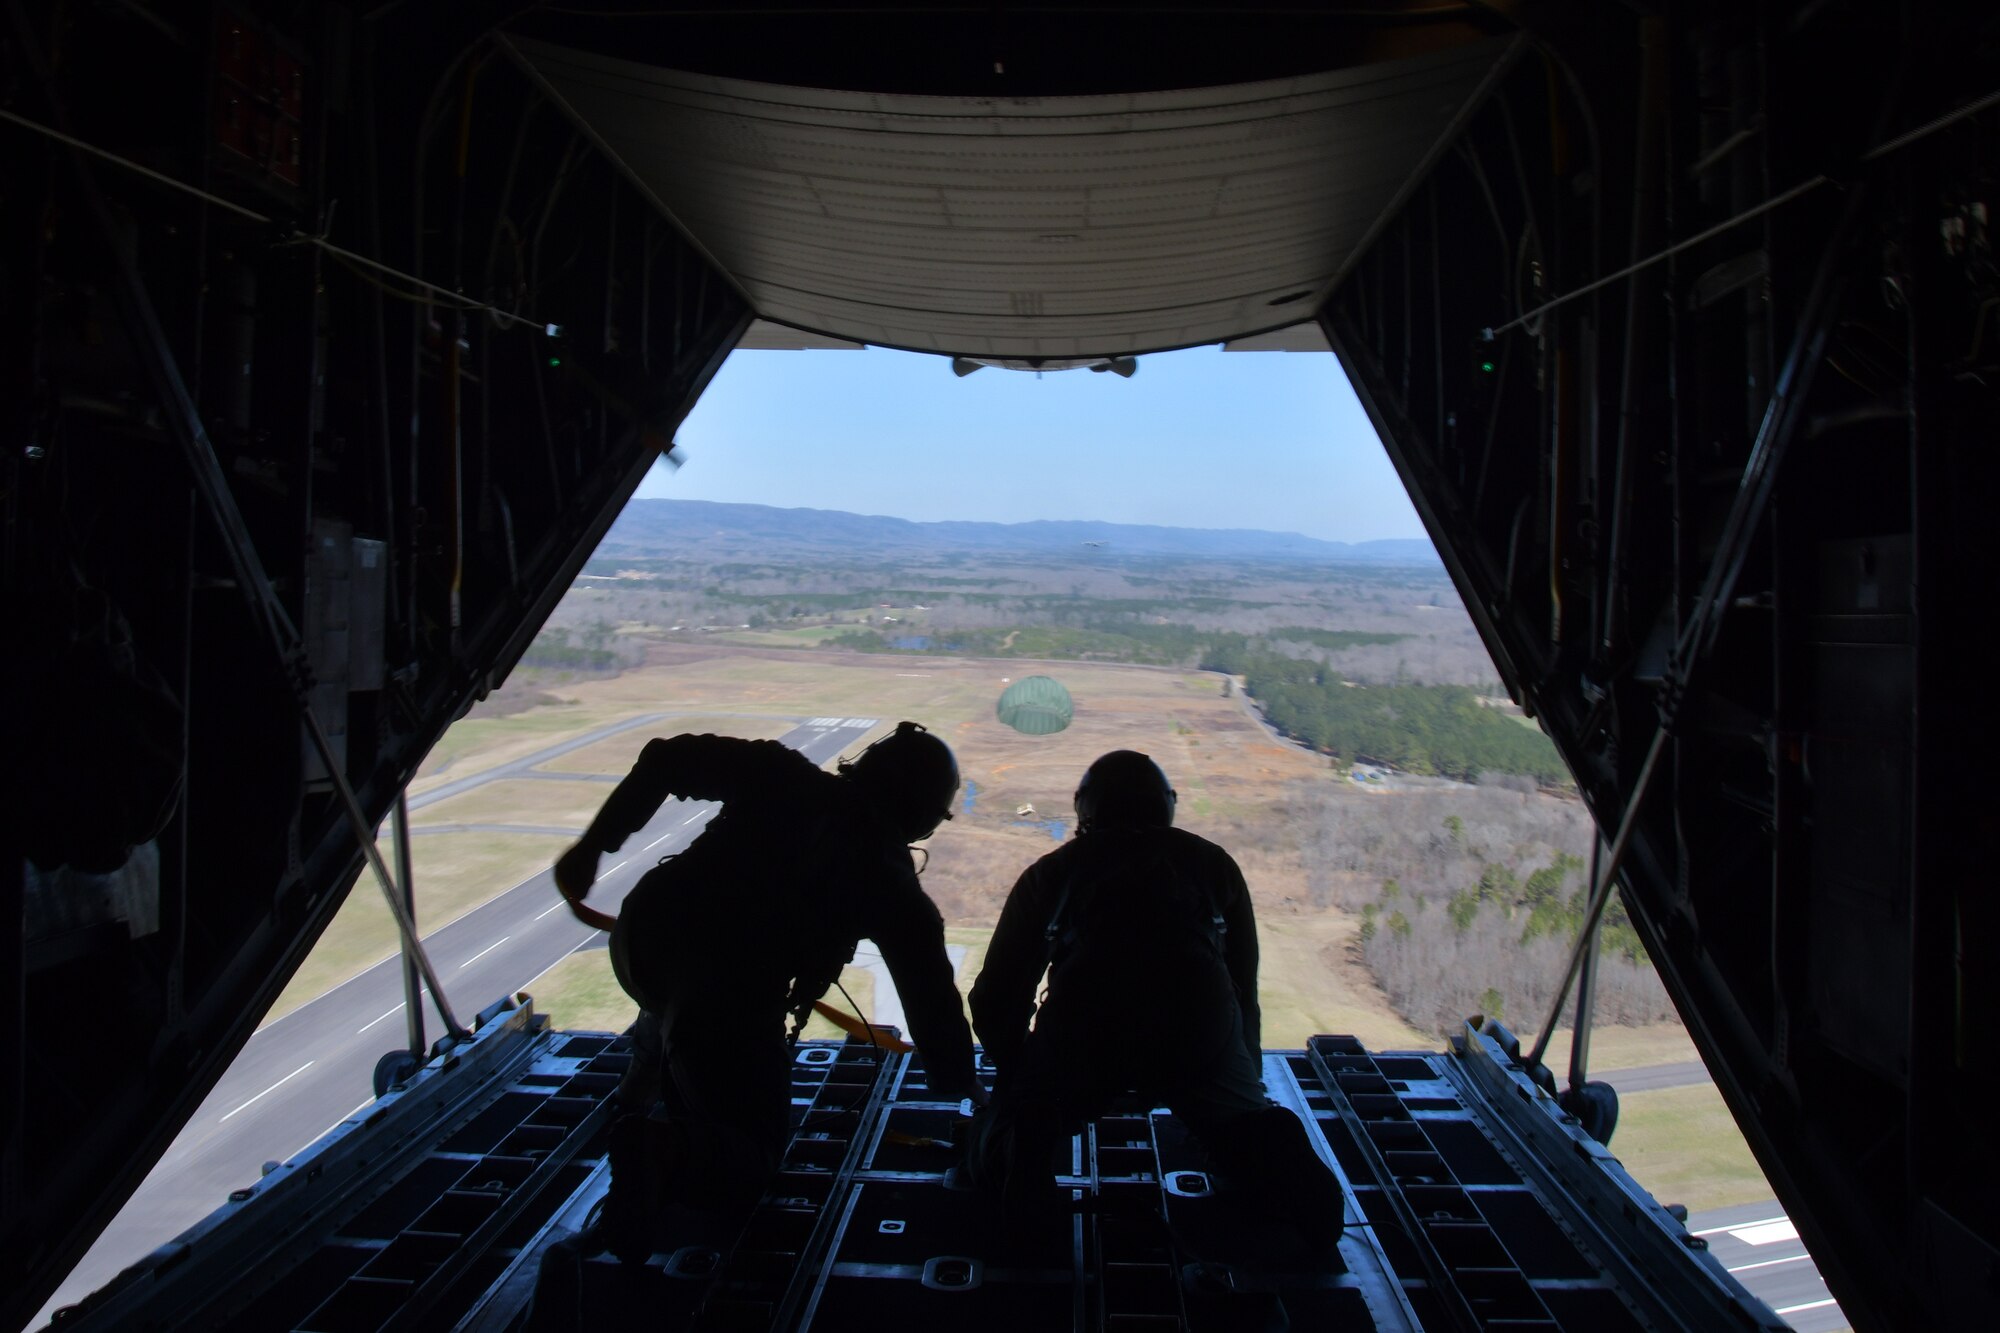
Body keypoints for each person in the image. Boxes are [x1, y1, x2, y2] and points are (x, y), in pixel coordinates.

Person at [551, 721, 979, 1256]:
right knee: (753, 1154)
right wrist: (964, 1086)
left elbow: (665, 758)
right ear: (924, 817)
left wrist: (593, 847)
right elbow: (932, 1003)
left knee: (673, 1011)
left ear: (862, 767)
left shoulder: (782, 775)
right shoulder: (892, 886)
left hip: (645, 942)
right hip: (727, 994)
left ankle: (637, 1093)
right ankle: (665, 1147)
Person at [966, 750, 1343, 1256]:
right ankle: (1274, 1154)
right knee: (1247, 1133)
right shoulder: (1214, 865)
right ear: (1168, 805)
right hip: (1196, 1032)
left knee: (987, 1154)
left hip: (1084, 1034)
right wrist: (1245, 1090)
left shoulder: (1054, 872)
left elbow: (994, 999)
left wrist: (1019, 1081)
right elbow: (1242, 993)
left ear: (1084, 807)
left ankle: (1021, 1148)